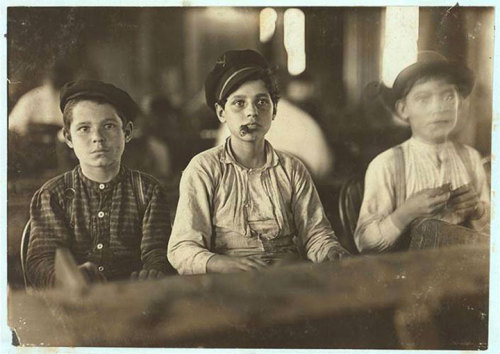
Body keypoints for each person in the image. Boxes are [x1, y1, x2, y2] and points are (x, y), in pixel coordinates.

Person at [167, 49, 349, 275]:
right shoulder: (204, 169)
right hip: (226, 286)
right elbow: (182, 248)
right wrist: (225, 264)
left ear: (274, 111)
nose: (252, 113)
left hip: (284, 277)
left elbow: (315, 236)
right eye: (239, 103)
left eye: (262, 102)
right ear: (221, 112)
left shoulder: (292, 169)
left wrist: (331, 251)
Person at [26, 80, 174, 288]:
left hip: (134, 301)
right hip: (75, 305)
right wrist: (68, 277)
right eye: (84, 129)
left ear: (128, 132)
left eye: (109, 126)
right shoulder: (53, 195)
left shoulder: (147, 191)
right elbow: (41, 261)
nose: (97, 138)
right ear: (68, 138)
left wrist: (153, 272)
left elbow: (157, 252)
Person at [354, 51, 490, 253]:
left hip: (462, 269)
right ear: (403, 109)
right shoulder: (387, 164)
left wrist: (477, 210)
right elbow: (364, 242)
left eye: (448, 97)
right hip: (408, 275)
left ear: (458, 103)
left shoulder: (470, 158)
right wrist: (404, 214)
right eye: (423, 99)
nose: (438, 108)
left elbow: (491, 233)